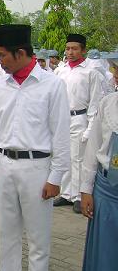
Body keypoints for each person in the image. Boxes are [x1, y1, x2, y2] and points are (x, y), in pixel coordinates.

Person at [0, 24, 70, 271]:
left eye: (3, 55)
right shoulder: (0, 84)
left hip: (36, 168)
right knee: (7, 232)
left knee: (38, 237)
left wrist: (56, 178)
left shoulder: (51, 85)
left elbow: (61, 136)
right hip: (5, 166)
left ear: (20, 53)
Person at [77, 87, 118, 271]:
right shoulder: (108, 103)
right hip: (106, 189)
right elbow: (93, 149)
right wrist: (86, 190)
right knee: (105, 258)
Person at [55, 34, 104, 214]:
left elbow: (95, 102)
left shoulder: (90, 72)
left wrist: (90, 127)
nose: (70, 52)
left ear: (83, 50)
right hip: (62, 117)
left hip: (80, 117)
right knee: (64, 156)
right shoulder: (61, 71)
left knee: (78, 158)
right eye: (68, 49)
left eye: (74, 49)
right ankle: (66, 193)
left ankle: (78, 195)